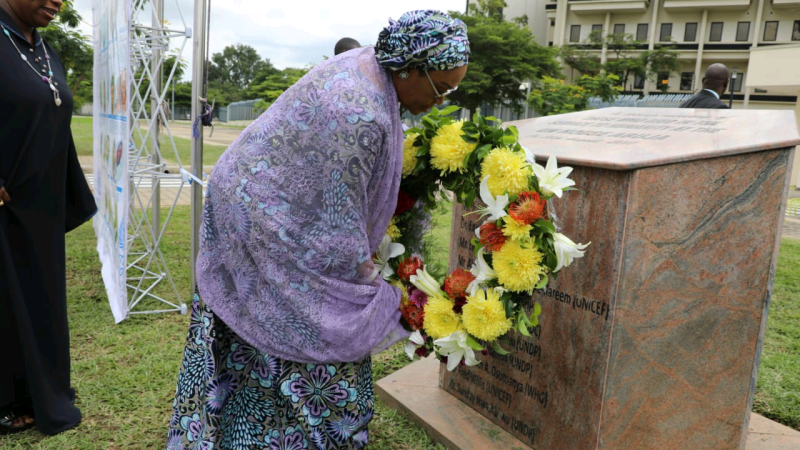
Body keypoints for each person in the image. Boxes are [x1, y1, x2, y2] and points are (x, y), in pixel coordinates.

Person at [165, 10, 469, 450]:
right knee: (318, 322)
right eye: (442, 87)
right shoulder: (361, 115)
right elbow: (336, 239)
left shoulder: (371, 67)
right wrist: (380, 291)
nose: (443, 100)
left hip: (250, 205)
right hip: (261, 222)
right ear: (409, 67)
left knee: (268, 329)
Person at [0, 0, 97, 436]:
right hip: (5, 205)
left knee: (41, 302)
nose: (57, 1)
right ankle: (8, 399)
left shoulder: (43, 48)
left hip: (40, 206)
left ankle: (43, 394)